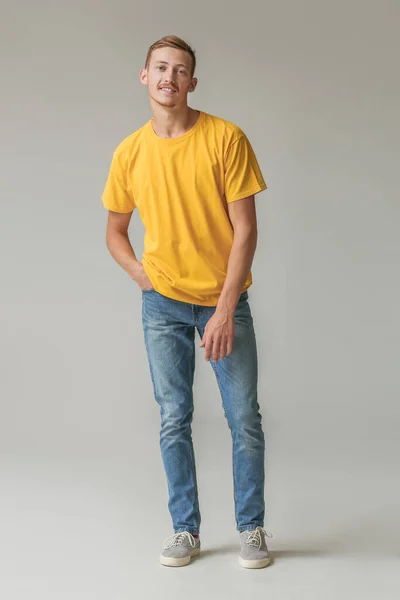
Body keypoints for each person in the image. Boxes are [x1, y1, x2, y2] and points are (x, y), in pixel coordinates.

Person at [101, 35, 272, 569]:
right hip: (164, 308)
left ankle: (252, 528)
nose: (169, 77)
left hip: (223, 302)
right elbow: (115, 231)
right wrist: (140, 275)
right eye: (160, 67)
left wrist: (223, 309)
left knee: (243, 417)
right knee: (174, 417)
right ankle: (185, 530)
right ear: (144, 77)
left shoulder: (226, 139)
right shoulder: (130, 151)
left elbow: (245, 230)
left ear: (192, 82)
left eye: (179, 70)